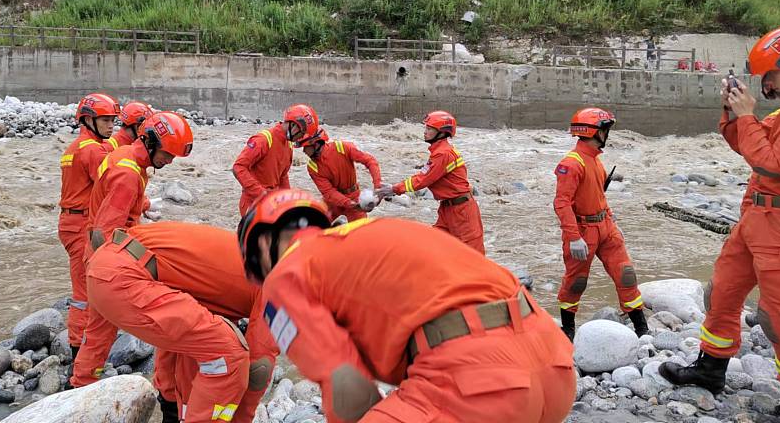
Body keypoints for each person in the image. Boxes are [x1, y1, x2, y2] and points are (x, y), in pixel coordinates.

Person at [237, 189, 576, 423]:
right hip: (555, 369)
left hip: (483, 387)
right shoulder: (373, 236)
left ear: (263, 244)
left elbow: (346, 385)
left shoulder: (286, 273)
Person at [660, 26, 780, 419]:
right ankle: (710, 370)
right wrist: (732, 112)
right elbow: (746, 142)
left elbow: (771, 165)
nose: (766, 82)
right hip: (755, 218)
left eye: (770, 74)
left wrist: (747, 115)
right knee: (720, 293)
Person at [85, 221, 279, 423]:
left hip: (105, 264)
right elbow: (259, 368)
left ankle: (78, 394)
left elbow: (185, 345)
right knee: (229, 353)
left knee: (205, 344)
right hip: (126, 279)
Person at [71, 111, 194, 387]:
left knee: (98, 327)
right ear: (150, 141)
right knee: (103, 327)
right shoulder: (128, 174)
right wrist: (114, 275)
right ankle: (82, 386)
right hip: (105, 256)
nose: (169, 160)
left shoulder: (125, 156)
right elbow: (108, 231)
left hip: (98, 250)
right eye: (167, 154)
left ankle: (83, 380)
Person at [553, 107, 647, 340]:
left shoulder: (595, 161)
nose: (608, 134)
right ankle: (568, 329)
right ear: (593, 131)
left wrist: (611, 217)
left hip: (606, 227)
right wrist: (574, 236)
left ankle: (642, 329)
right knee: (576, 281)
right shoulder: (572, 163)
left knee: (626, 275)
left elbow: (599, 196)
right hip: (583, 231)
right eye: (605, 129)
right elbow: (562, 203)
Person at [57, 92, 120, 359]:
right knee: (84, 291)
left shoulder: (74, 148)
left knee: (85, 285)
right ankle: (78, 350)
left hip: (71, 220)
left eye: (113, 120)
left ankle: (83, 344)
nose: (111, 125)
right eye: (105, 120)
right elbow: (110, 185)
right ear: (88, 120)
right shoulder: (94, 150)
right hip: (81, 223)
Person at [376, 111, 485, 253]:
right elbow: (424, 176)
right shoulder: (439, 152)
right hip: (449, 209)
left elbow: (422, 180)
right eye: (425, 128)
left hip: (461, 212)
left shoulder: (442, 154)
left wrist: (393, 189)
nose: (425, 132)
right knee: (435, 248)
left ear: (441, 132)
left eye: (429, 129)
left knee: (472, 256)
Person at [233, 104, 319, 216]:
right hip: (253, 202)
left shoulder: (288, 145)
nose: (301, 138)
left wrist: (288, 200)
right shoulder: (263, 140)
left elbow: (283, 176)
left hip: (271, 201)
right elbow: (238, 167)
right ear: (294, 125)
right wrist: (261, 193)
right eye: (302, 133)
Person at [301, 129, 382, 222]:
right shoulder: (312, 167)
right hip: (333, 202)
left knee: (359, 232)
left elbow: (370, 161)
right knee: (315, 228)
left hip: (354, 198)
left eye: (305, 147)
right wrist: (349, 203)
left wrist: (378, 185)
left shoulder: (343, 147)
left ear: (315, 144)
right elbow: (329, 193)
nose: (304, 151)